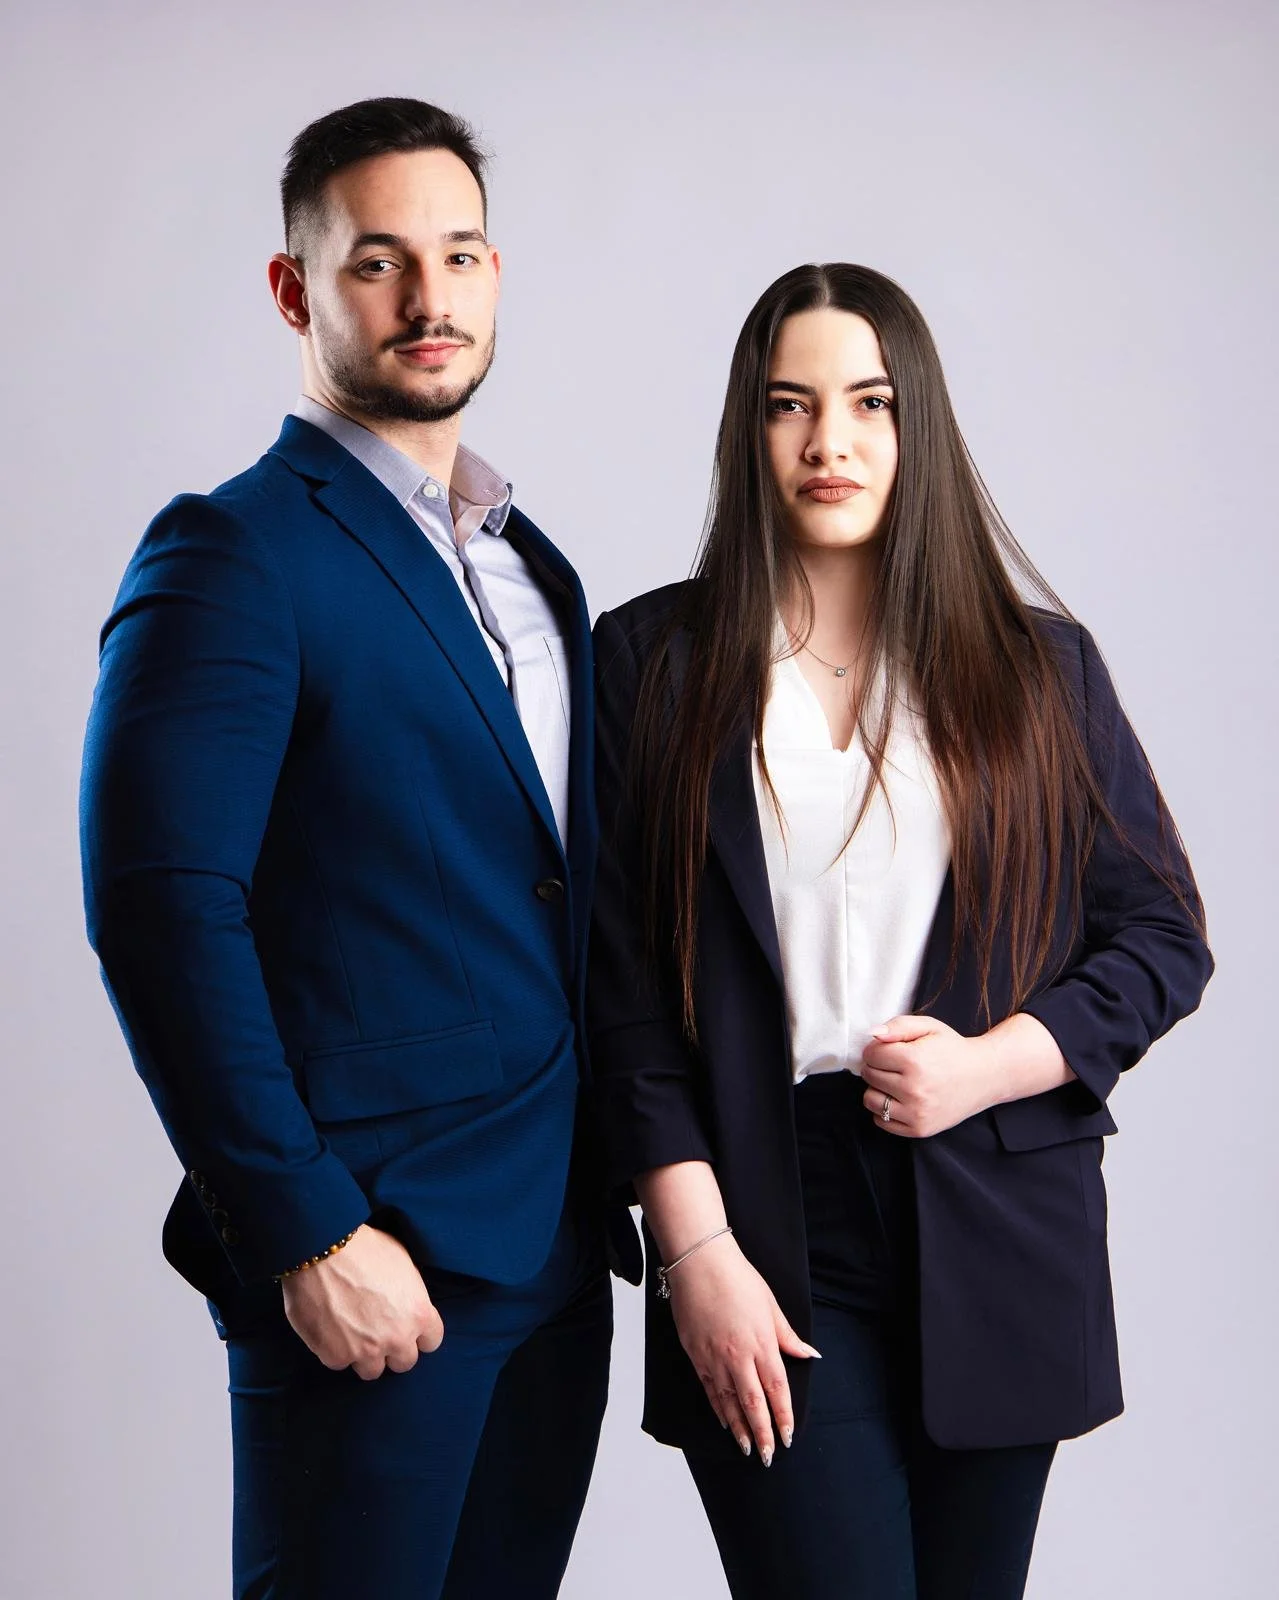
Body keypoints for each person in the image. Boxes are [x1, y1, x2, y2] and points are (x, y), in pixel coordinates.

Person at [79, 96, 636, 1600]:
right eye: (378, 261)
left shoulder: (535, 569)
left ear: (498, 274)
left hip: (552, 1241)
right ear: (295, 290)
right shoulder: (232, 549)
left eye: (458, 255)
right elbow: (161, 906)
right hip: (369, 1247)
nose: (429, 297)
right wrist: (305, 1227)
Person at [588, 262, 1213, 1599]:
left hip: (995, 1214)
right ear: (744, 432)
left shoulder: (1038, 670)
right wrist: (691, 1253)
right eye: (788, 405)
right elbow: (624, 995)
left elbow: (1160, 936)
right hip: (760, 1212)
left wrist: (992, 1063)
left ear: (913, 422)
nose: (829, 443)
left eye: (868, 403)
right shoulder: (649, 664)